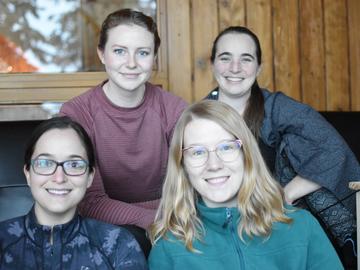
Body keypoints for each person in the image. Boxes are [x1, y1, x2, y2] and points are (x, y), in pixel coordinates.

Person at [205, 26, 360, 267]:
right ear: (212, 63)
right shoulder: (199, 115)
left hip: (276, 217)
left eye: (246, 59)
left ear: (259, 68)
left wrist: (284, 194)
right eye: (225, 58)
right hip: (220, 218)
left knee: (296, 148)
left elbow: (333, 151)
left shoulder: (277, 107)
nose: (235, 68)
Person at [148, 100, 343, 269]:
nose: (214, 164)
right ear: (182, 165)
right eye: (197, 152)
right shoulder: (168, 247)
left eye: (226, 147)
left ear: (246, 155)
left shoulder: (302, 227)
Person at [60, 9, 187, 257]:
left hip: (171, 228)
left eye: (143, 53)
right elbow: (89, 200)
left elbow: (192, 185)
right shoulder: (76, 114)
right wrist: (156, 217)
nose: (131, 63)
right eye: (119, 51)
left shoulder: (174, 109)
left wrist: (166, 219)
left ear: (154, 58)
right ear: (102, 54)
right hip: (103, 231)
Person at [0, 116, 148, 270]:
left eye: (74, 164)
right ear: (28, 174)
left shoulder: (117, 244)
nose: (59, 178)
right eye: (45, 163)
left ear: (90, 176)